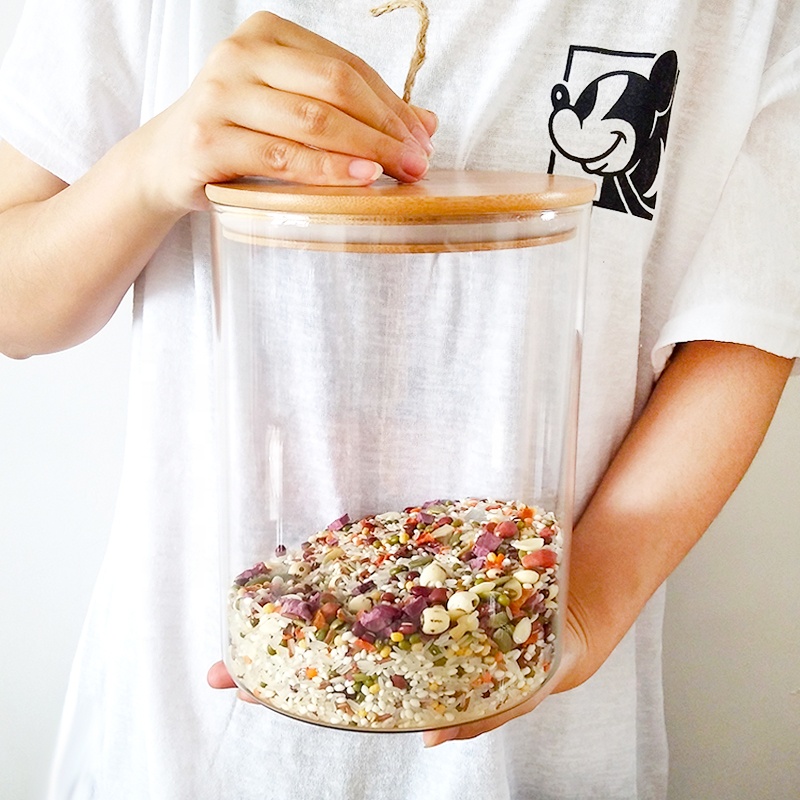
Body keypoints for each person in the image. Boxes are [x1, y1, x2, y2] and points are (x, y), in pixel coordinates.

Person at [1, 2, 798, 798]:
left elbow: (743, 334)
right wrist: (151, 165)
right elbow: (16, 303)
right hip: (183, 741)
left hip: (529, 744)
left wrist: (582, 610)